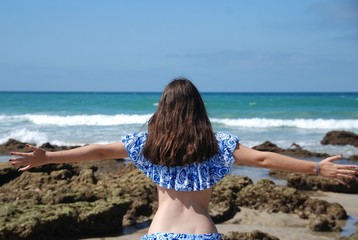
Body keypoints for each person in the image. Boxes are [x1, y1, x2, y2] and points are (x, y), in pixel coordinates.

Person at [9, 78, 358, 240]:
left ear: (163, 108)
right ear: (199, 109)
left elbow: (99, 151)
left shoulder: (149, 144)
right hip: (203, 234)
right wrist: (316, 166)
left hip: (159, 234)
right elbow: (265, 160)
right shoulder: (217, 144)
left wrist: (48, 156)